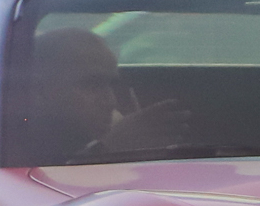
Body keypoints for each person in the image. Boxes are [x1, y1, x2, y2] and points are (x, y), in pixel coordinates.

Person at [27, 27, 188, 162]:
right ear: (39, 90)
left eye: (112, 85)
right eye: (91, 85)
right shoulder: (9, 146)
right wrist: (108, 149)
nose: (111, 102)